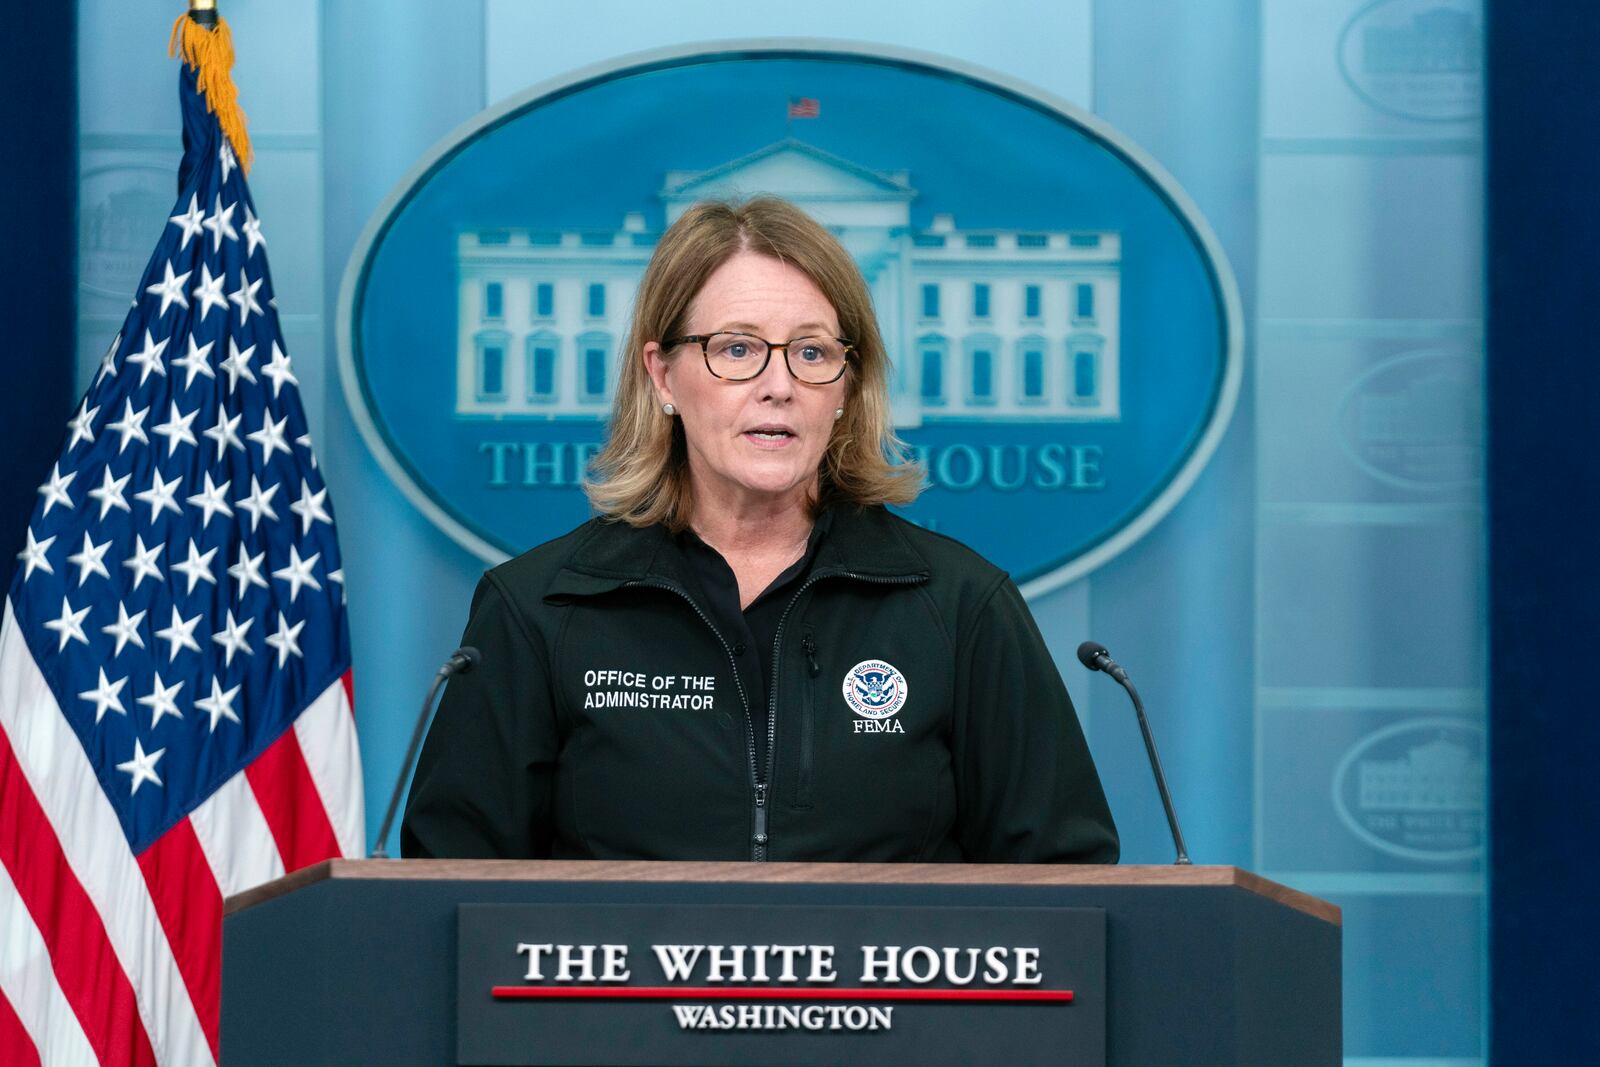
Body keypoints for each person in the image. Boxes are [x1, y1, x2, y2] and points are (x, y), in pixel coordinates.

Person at [400, 197, 1118, 863]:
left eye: (811, 353)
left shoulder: (962, 607)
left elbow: (1066, 889)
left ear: (845, 388)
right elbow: (449, 904)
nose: (779, 384)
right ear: (663, 375)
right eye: (737, 348)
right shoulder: (538, 609)